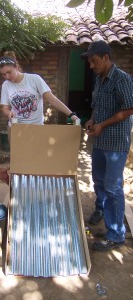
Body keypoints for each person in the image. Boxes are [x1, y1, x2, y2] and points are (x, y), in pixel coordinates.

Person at [82, 40, 133, 252]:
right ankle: (108, 220)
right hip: (100, 140)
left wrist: (102, 124)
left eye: (94, 61)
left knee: (113, 187)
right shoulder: (99, 79)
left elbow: (129, 109)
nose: (91, 66)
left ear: (105, 57)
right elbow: (96, 106)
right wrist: (93, 120)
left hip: (115, 143)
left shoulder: (122, 79)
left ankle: (116, 235)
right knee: (99, 181)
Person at [0, 51, 80, 139]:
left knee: (36, 153)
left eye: (9, 72)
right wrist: (8, 113)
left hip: (36, 128)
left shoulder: (34, 79)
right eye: (3, 74)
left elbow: (53, 100)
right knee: (18, 153)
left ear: (16, 67)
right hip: (15, 128)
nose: (7, 76)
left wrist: (71, 115)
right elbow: (5, 107)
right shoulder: (6, 85)